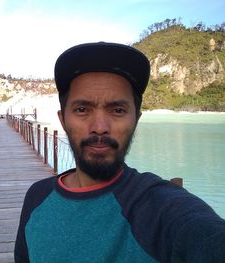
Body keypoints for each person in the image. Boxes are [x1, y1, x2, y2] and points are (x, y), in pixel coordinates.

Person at [14, 42, 225, 263]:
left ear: (136, 120)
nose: (99, 127)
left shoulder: (161, 208)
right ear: (63, 120)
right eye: (82, 109)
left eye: (117, 110)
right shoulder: (36, 197)